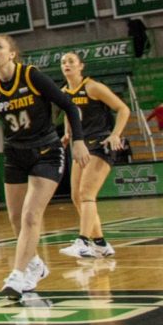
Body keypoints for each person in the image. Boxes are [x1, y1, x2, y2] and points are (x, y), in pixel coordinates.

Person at [0, 34, 87, 300]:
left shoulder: (31, 76)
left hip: (46, 151)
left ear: (11, 53)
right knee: (15, 218)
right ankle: (35, 265)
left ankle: (17, 275)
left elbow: (69, 105)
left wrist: (78, 141)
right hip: (14, 153)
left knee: (31, 216)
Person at [59, 52, 131, 259]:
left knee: (86, 194)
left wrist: (116, 134)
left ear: (81, 66)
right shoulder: (64, 92)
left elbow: (123, 109)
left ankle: (83, 241)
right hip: (81, 146)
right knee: (76, 196)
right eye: (63, 62)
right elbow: (69, 114)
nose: (67, 65)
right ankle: (100, 243)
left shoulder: (93, 87)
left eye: (71, 61)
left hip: (101, 144)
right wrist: (67, 133)